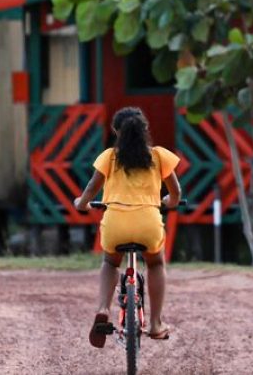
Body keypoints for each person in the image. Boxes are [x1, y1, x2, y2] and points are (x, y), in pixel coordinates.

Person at [74, 106, 182, 346]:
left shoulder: (109, 157)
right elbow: (176, 192)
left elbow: (91, 188)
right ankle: (155, 323)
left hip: (116, 223)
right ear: (145, 129)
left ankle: (103, 308)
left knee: (110, 262)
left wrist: (82, 204)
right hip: (148, 223)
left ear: (115, 131)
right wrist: (169, 201)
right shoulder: (158, 156)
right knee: (155, 263)